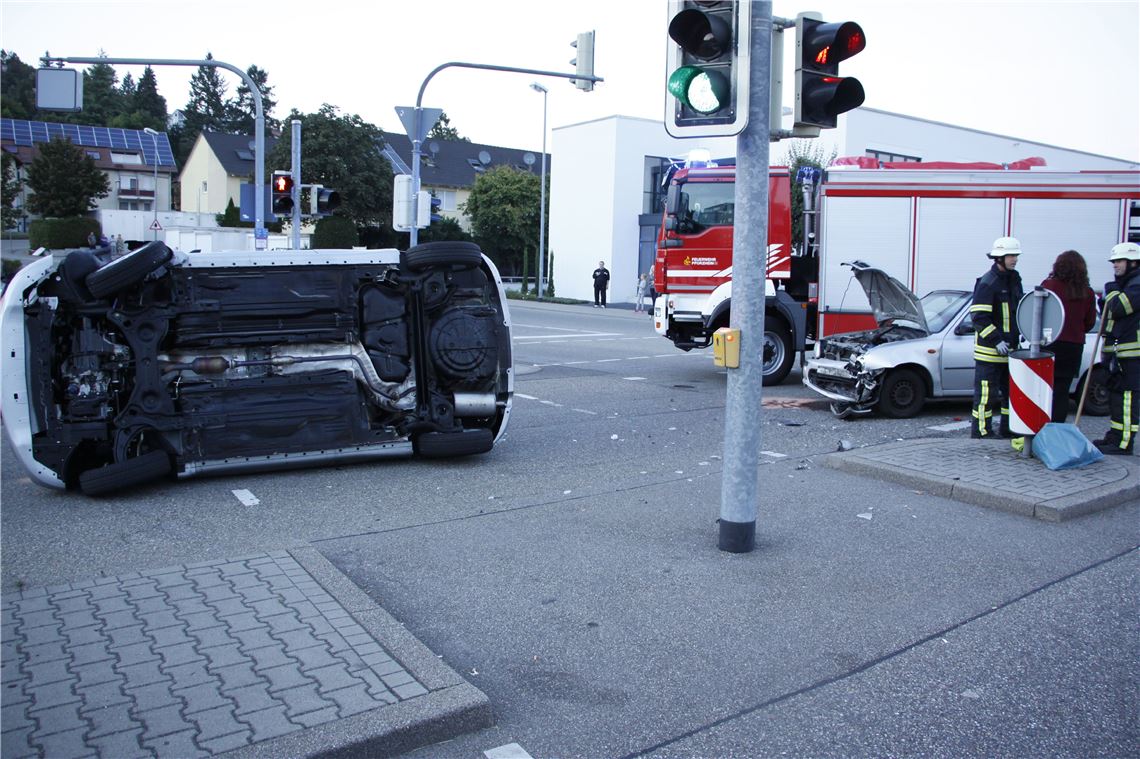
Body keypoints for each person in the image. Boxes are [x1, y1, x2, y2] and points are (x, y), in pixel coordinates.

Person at [969, 236, 1025, 438]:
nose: (1015, 260)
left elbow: (1018, 312)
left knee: (1010, 394)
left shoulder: (1014, 280)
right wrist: (996, 340)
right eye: (1011, 256)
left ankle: (1008, 429)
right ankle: (981, 431)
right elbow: (978, 317)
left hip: (1010, 351)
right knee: (986, 395)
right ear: (999, 258)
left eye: (1016, 255)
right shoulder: (988, 283)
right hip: (989, 353)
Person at [1093, 242, 1140, 455]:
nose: (1115, 266)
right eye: (1114, 262)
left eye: (1119, 261)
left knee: (1128, 399)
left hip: (1132, 354)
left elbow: (1119, 307)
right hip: (1118, 352)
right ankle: (1115, 436)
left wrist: (1111, 292)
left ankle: (1124, 443)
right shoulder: (1125, 284)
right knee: (1116, 397)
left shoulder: (1137, 284)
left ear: (1133, 262)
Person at [1040, 250, 1096, 422]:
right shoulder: (1087, 292)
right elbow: (1090, 322)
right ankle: (1057, 428)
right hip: (1073, 346)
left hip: (1050, 342)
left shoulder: (1048, 286)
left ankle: (1041, 427)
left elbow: (1038, 314)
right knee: (1062, 391)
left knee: (1045, 389)